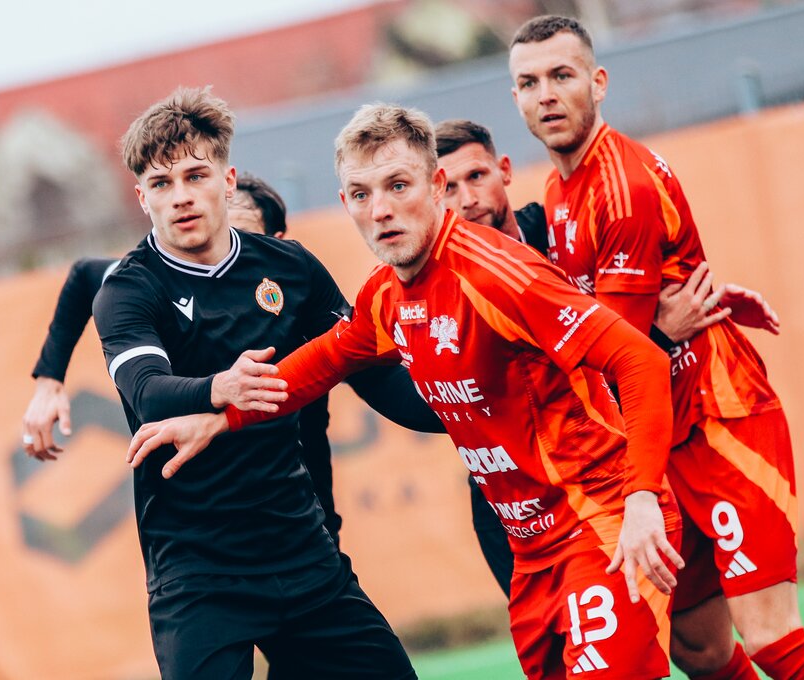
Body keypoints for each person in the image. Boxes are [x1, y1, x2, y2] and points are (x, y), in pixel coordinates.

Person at [128, 103, 687, 679]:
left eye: (398, 186)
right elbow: (324, 360)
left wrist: (642, 497)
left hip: (602, 523)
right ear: (345, 203)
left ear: (436, 185)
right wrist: (223, 418)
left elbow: (639, 360)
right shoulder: (385, 294)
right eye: (362, 194)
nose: (381, 210)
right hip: (531, 549)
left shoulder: (498, 273)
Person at [508, 15, 804, 679]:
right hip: (659, 434)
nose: (545, 94)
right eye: (528, 82)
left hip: (717, 421)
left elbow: (618, 349)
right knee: (700, 649)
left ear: (598, 83)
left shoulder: (621, 187)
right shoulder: (557, 187)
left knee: (771, 639)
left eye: (561, 75)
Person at [87, 87, 425, 679]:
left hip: (300, 549)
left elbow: (375, 376)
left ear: (227, 180)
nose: (181, 196)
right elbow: (146, 390)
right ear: (142, 198)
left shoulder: (290, 268)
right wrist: (218, 387)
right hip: (199, 574)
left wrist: (471, 398)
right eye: (161, 184)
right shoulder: (128, 291)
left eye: (196, 176)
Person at [21, 172, 351, 549]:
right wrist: (49, 383)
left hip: (294, 506)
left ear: (272, 244)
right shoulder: (149, 283)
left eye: (240, 236)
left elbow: (363, 363)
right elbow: (85, 278)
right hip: (201, 531)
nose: (222, 249)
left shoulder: (293, 285)